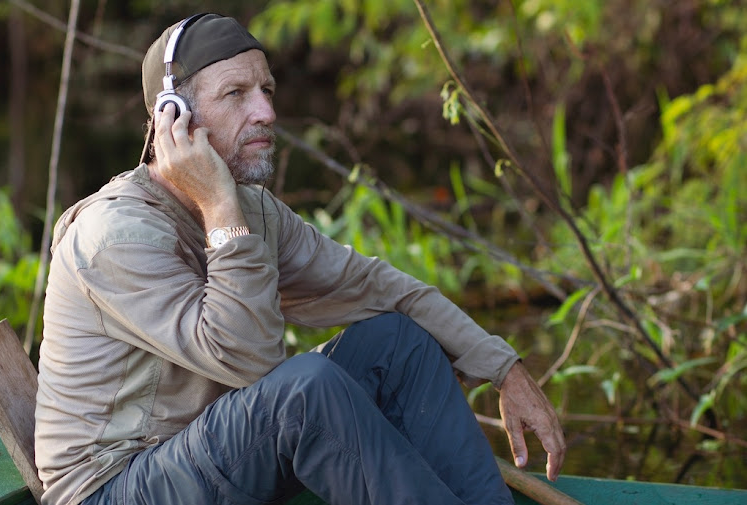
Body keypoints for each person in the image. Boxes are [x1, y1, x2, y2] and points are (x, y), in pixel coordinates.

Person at [35, 12, 565, 505]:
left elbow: (376, 286)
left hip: (210, 453)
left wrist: (503, 368)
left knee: (398, 342)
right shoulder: (115, 236)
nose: (265, 111)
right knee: (305, 390)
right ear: (174, 118)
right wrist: (218, 205)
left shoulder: (254, 212)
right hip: (115, 485)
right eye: (236, 94)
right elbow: (250, 360)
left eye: (265, 89)